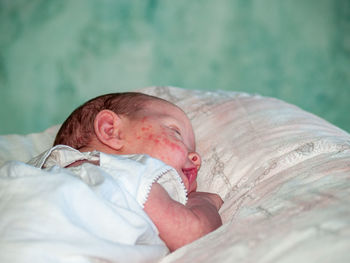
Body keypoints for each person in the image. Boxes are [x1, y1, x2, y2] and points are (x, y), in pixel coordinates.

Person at [0, 92, 223, 262]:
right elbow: (192, 232)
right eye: (176, 133)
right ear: (110, 130)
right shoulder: (131, 173)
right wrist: (203, 201)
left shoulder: (40, 170)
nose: (196, 158)